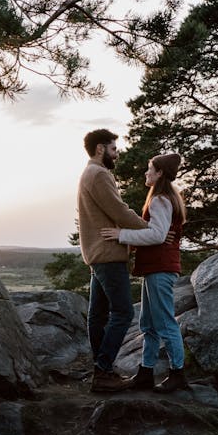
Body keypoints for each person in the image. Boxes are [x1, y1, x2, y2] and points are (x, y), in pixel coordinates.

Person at [101, 153, 189, 393]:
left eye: (150, 168)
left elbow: (157, 235)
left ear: (159, 172)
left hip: (161, 268)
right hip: (155, 268)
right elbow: (159, 233)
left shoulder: (160, 199)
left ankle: (177, 373)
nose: (146, 173)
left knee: (165, 322)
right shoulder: (166, 197)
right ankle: (145, 372)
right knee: (148, 323)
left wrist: (122, 235)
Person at [77, 129, 149, 392]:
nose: (117, 154)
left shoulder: (88, 173)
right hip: (108, 255)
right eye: (114, 149)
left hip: (97, 255)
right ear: (100, 149)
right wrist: (149, 230)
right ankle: (103, 370)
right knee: (124, 312)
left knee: (97, 314)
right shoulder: (98, 174)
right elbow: (118, 211)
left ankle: (102, 370)